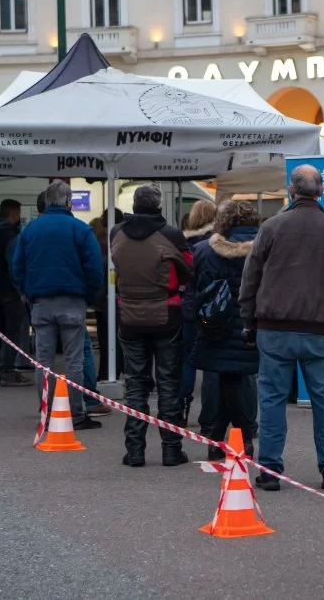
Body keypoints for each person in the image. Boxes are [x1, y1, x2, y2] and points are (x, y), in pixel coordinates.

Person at [239, 165, 324, 492]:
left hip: (274, 328)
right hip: (322, 330)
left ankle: (270, 470)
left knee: (272, 399)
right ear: (320, 191)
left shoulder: (271, 228)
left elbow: (250, 279)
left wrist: (249, 323)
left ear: (291, 191)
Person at [11, 181, 104, 431]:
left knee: (43, 361)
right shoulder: (80, 229)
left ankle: (47, 411)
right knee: (74, 361)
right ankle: (76, 414)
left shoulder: (30, 230)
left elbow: (17, 267)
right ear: (69, 201)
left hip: (40, 302)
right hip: (73, 301)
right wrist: (88, 296)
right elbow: (95, 268)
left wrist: (26, 291)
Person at [112, 185, 193, 467]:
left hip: (130, 314)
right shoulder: (171, 234)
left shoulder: (116, 233)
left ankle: (135, 450)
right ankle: (171, 449)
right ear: (159, 206)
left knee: (135, 383)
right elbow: (188, 268)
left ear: (134, 205)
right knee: (168, 382)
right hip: (165, 313)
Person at [190, 201, 261, 460]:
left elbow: (196, 288)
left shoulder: (203, 250)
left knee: (225, 380)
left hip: (215, 325)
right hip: (252, 324)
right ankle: (239, 438)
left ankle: (219, 439)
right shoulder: (266, 250)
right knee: (235, 380)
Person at [0, 199, 32, 387]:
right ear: (14, 215)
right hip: (10, 292)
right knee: (13, 332)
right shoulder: (12, 236)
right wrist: (21, 290)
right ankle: (8, 371)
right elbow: (14, 265)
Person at [181, 199, 217, 427]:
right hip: (214, 309)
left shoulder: (182, 243)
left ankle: (182, 407)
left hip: (189, 308)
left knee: (187, 360)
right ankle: (212, 414)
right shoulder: (218, 242)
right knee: (214, 362)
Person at [88, 207, 124, 385]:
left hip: (100, 297)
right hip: (113, 294)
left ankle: (105, 373)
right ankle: (114, 371)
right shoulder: (118, 240)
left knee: (105, 339)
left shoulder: (96, 239)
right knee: (117, 338)